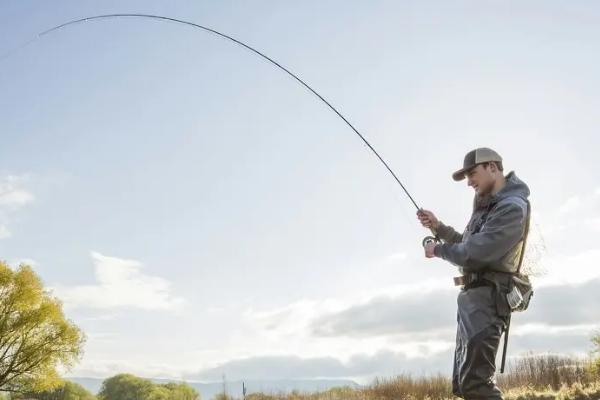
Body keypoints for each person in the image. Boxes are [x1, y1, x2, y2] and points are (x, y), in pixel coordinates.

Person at [417, 147, 530, 399]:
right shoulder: (488, 207)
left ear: (492, 167)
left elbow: (475, 253)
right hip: (473, 305)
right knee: (464, 385)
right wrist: (438, 227)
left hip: (487, 304)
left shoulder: (511, 208)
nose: (469, 182)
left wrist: (437, 250)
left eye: (472, 174)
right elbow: (467, 242)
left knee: (476, 386)